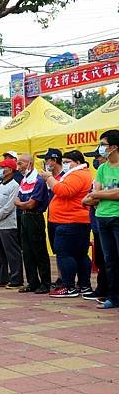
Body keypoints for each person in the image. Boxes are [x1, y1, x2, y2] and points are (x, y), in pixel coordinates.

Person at [42, 150, 92, 298]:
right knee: (79, 254)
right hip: (74, 220)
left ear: (76, 162)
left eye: (67, 162)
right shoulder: (80, 174)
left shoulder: (78, 174)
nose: (65, 165)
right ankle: (84, 286)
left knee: (65, 254)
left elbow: (64, 191)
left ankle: (69, 286)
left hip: (69, 221)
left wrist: (49, 178)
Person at [83, 130, 119, 309]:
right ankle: (113, 297)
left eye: (104, 145)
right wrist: (100, 194)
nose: (101, 148)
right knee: (109, 260)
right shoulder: (103, 168)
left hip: (117, 217)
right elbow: (94, 195)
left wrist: (98, 194)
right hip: (102, 217)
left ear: (114, 147)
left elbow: (116, 193)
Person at [14, 153, 51, 294]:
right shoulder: (25, 180)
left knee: (39, 251)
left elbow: (31, 204)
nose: (19, 167)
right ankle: (32, 281)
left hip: (35, 217)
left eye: (20, 163)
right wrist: (22, 204)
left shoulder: (39, 180)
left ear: (29, 163)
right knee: (27, 252)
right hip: (24, 217)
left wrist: (21, 204)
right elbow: (17, 200)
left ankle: (45, 282)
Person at [0, 158, 23, 289]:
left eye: (2, 167)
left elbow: (9, 207)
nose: (0, 170)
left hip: (7, 224)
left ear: (10, 170)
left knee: (12, 252)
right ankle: (2, 277)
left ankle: (16, 278)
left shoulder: (14, 185)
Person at [81, 145, 109, 301]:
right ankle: (102, 288)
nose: (95, 160)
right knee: (101, 260)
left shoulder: (108, 174)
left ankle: (106, 289)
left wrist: (90, 198)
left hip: (105, 221)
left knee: (107, 259)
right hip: (97, 224)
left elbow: (94, 198)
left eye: (97, 157)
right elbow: (88, 198)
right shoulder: (98, 175)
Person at [36, 148, 65, 287]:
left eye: (47, 160)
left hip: (65, 219)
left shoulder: (65, 176)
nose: (45, 163)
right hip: (51, 217)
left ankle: (68, 279)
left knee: (65, 250)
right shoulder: (48, 178)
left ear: (54, 161)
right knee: (57, 249)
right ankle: (60, 277)